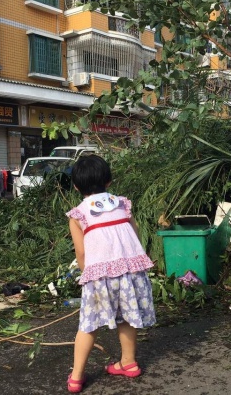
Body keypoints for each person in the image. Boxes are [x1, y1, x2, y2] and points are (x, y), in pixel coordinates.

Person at [65, 155, 156, 393]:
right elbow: (134, 235)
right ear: (109, 181)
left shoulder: (78, 215)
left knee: (88, 324)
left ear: (76, 186)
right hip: (129, 272)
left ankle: (76, 377)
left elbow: (82, 253)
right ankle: (129, 362)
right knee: (127, 317)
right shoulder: (123, 204)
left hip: (99, 276)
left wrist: (87, 278)